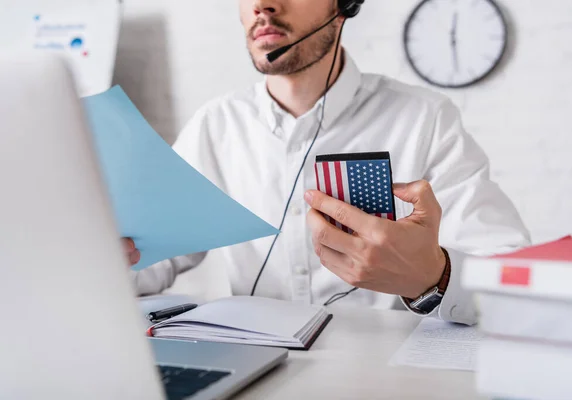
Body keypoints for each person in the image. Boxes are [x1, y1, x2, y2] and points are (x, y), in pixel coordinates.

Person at [124, 0, 531, 325]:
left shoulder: (425, 119)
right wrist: (108, 257)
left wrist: (434, 277)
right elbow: (147, 261)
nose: (263, 5)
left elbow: (514, 282)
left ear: (345, 6)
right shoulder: (214, 126)